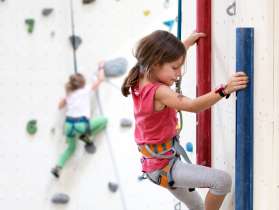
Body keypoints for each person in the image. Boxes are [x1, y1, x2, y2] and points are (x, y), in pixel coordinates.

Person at [121, 30, 248, 210]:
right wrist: (224, 90)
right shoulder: (160, 92)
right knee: (222, 181)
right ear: (156, 63)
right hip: (164, 165)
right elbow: (193, 105)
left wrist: (185, 44)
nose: (179, 73)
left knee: (198, 207)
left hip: (156, 163)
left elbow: (163, 59)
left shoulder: (141, 74)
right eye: (175, 68)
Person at [51, 62, 108, 178]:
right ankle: (86, 136)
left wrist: (66, 97)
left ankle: (58, 166)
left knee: (71, 149)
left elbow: (60, 105)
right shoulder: (86, 90)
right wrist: (101, 66)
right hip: (81, 125)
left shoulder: (69, 94)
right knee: (104, 120)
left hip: (68, 126)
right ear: (82, 83)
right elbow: (101, 79)